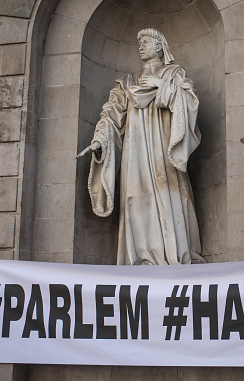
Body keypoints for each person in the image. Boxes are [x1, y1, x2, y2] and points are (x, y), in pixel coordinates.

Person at [77, 28, 205, 266]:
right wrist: (100, 140)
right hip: (134, 153)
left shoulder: (174, 74)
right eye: (139, 43)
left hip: (163, 150)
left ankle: (173, 256)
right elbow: (111, 113)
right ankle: (140, 259)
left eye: (146, 41)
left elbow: (189, 102)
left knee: (169, 195)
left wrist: (161, 85)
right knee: (136, 198)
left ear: (159, 46)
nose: (141, 46)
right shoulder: (127, 83)